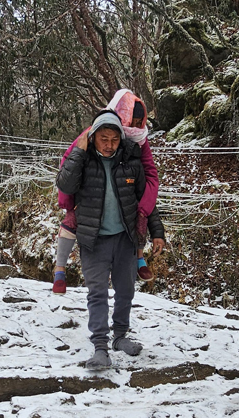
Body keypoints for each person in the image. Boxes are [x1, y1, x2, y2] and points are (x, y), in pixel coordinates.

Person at [57, 110, 165, 370]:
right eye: (103, 138)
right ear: (93, 137)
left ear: (121, 139)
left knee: (126, 290)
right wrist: (79, 152)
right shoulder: (84, 161)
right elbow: (65, 184)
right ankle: (100, 347)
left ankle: (120, 336)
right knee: (97, 293)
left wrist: (157, 232)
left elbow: (145, 202)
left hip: (125, 239)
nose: (109, 144)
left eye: (114, 139)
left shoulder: (131, 163)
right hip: (93, 240)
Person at [53, 89, 159, 294]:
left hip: (125, 195)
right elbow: (69, 162)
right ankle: (60, 268)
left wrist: (144, 206)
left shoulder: (139, 140)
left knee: (135, 215)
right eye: (132, 120)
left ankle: (139, 258)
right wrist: (67, 203)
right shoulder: (96, 133)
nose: (136, 127)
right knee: (71, 222)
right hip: (90, 198)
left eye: (140, 122)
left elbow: (150, 174)